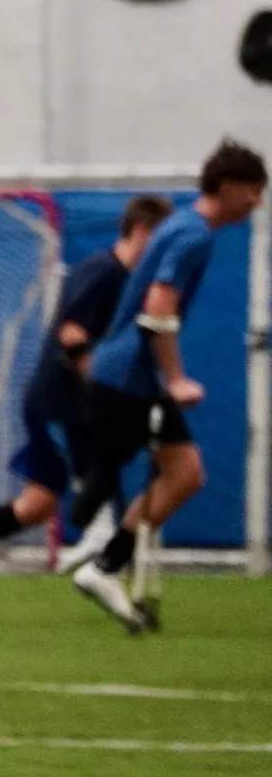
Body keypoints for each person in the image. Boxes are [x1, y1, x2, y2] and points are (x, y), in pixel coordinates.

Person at [0, 195, 173, 603]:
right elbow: (72, 335)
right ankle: (101, 552)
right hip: (61, 405)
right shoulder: (104, 273)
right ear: (141, 232)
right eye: (161, 241)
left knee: (37, 505)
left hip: (64, 403)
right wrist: (105, 391)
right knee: (102, 477)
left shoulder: (122, 277)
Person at [66, 141, 266, 630]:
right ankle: (100, 555)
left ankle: (103, 566)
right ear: (230, 187)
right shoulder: (192, 235)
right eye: (255, 191)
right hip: (129, 377)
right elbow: (158, 308)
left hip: (127, 376)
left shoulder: (182, 226)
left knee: (184, 475)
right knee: (158, 476)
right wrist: (175, 379)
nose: (258, 202)